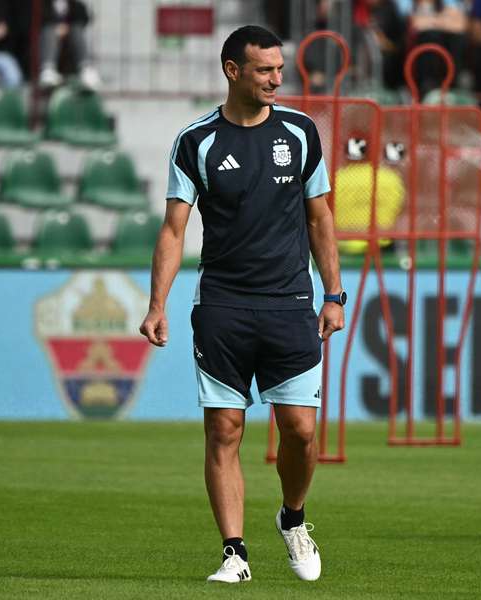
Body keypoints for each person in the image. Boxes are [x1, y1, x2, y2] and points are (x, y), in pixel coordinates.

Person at [139, 25, 345, 584]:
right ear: (233, 71)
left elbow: (320, 218)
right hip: (223, 305)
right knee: (225, 430)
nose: (277, 79)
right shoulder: (196, 141)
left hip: (290, 303)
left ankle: (293, 518)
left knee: (300, 431)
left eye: (280, 69)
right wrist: (157, 304)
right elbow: (174, 228)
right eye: (265, 70)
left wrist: (333, 294)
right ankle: (235, 553)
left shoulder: (301, 133)